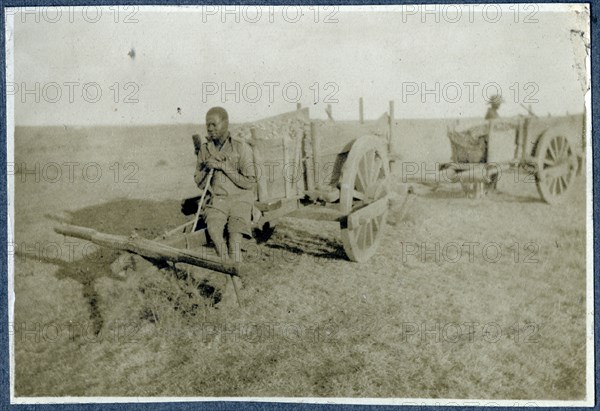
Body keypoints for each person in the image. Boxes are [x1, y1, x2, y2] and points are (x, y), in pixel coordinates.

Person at [194, 107, 257, 263]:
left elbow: (249, 183)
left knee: (234, 237)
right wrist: (206, 169)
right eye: (207, 125)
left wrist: (224, 167)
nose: (210, 129)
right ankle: (230, 274)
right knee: (214, 232)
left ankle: (235, 273)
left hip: (240, 199)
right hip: (218, 200)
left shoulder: (240, 148)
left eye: (214, 125)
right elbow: (199, 182)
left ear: (225, 124)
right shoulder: (205, 149)